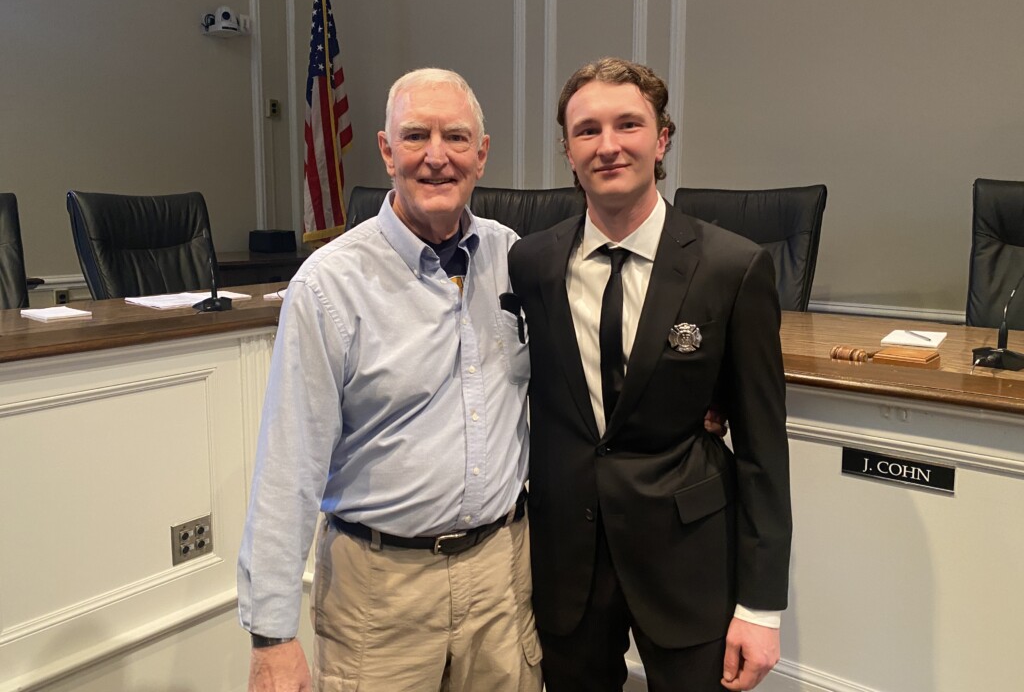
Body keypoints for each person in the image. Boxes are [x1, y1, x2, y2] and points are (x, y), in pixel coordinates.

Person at [237, 68, 542, 692]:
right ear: (385, 150)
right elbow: (288, 465)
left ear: (481, 155)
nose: (437, 157)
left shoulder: (514, 260)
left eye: (456, 138)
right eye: (415, 136)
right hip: (380, 591)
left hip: (501, 577)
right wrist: (272, 635)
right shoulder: (329, 286)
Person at [508, 57, 792, 691]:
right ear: (567, 149)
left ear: (661, 138)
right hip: (566, 561)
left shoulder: (732, 267)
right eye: (587, 130)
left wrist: (762, 605)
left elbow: (763, 450)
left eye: (628, 124)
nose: (608, 146)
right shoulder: (529, 263)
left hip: (687, 558)